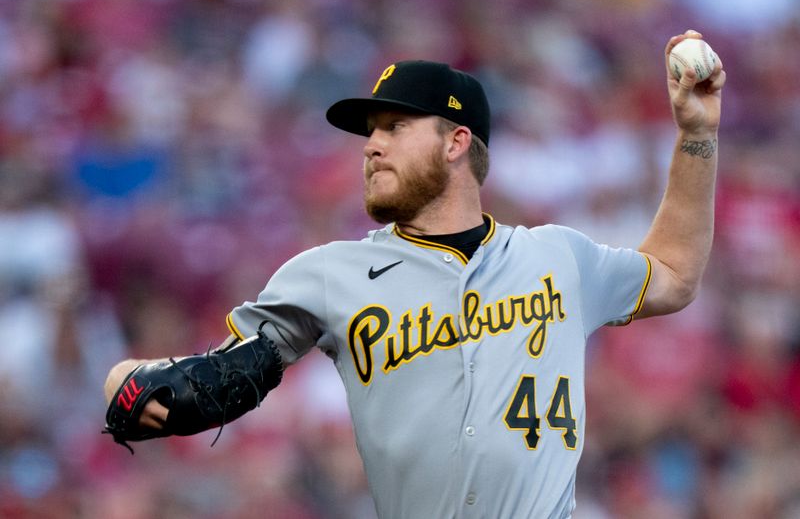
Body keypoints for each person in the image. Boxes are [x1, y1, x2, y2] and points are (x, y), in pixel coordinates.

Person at [104, 30, 725, 518]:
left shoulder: (557, 256)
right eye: (370, 133)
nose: (371, 145)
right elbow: (221, 374)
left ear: (456, 142)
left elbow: (672, 272)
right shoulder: (326, 275)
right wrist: (132, 384)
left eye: (394, 127)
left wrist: (696, 137)